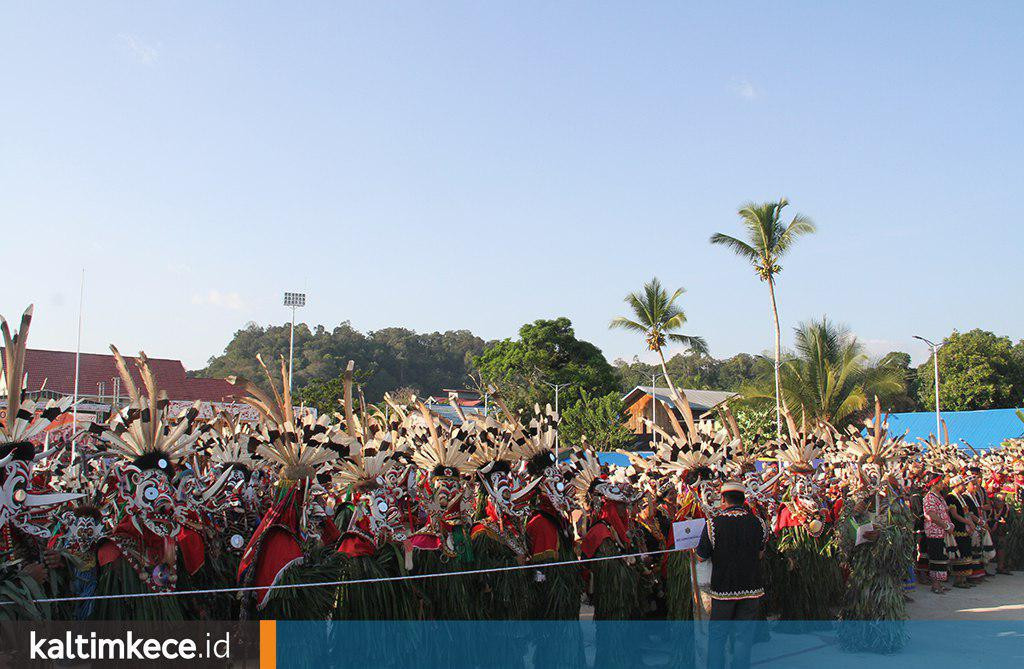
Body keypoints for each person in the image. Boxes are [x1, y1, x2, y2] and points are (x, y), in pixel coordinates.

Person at [696, 481, 766, 669]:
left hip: (724, 590)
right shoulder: (758, 522)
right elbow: (760, 553)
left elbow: (701, 557)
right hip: (752, 588)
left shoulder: (713, 524)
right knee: (744, 636)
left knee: (718, 636)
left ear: (724, 500)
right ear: (742, 500)